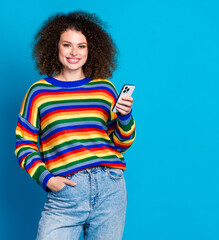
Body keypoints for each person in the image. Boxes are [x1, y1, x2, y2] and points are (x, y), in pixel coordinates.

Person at [15, 10, 136, 240]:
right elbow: (24, 145)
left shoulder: (104, 89)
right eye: (67, 45)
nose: (74, 52)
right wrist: (47, 178)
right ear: (55, 47)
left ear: (91, 50)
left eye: (81, 46)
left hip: (110, 187)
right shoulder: (39, 93)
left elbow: (121, 143)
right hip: (67, 192)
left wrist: (124, 116)